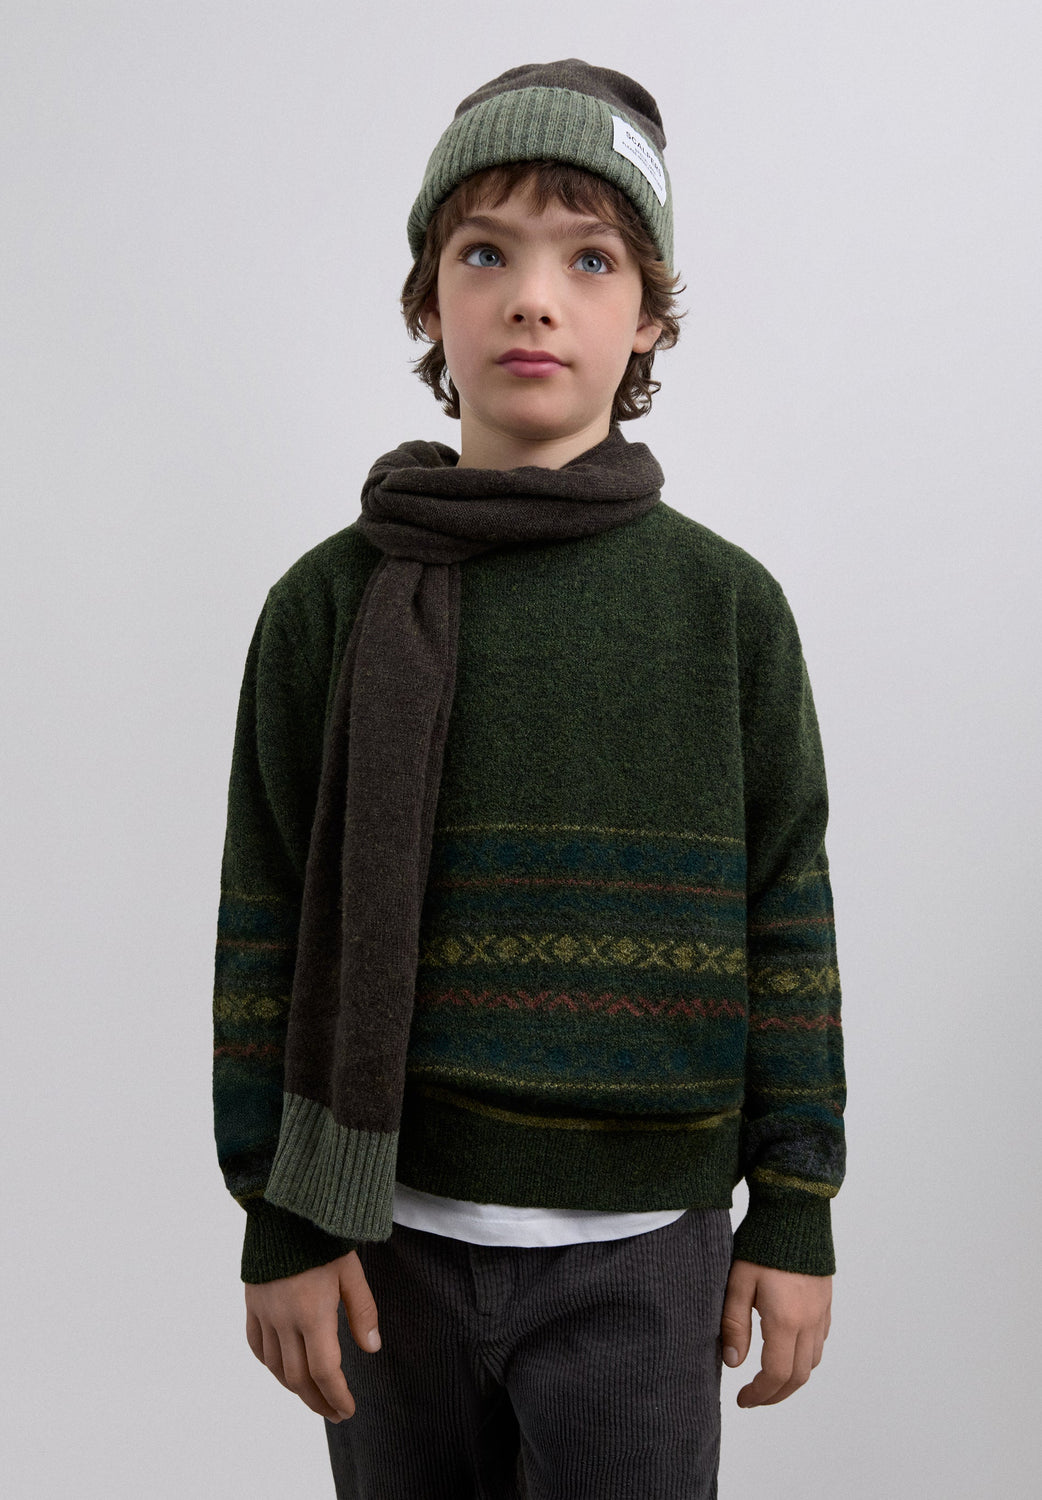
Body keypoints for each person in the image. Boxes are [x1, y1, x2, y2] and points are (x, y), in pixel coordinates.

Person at [211, 58, 846, 1500]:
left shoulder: (724, 609)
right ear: (429, 298)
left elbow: (785, 913)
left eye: (591, 258)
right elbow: (265, 922)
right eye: (484, 252)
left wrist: (796, 1207)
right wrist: (277, 1215)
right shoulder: (328, 605)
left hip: (649, 1253)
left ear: (650, 312)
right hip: (381, 1245)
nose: (534, 298)